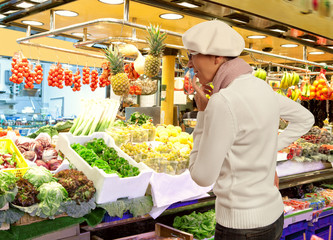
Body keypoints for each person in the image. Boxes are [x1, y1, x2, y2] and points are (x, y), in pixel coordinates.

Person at [182, 20, 314, 240]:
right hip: (273, 216)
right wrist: (269, 149)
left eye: (192, 54)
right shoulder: (261, 87)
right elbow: (304, 118)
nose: (189, 63)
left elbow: (202, 177)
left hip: (241, 226)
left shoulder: (223, 101)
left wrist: (203, 113)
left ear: (216, 57)